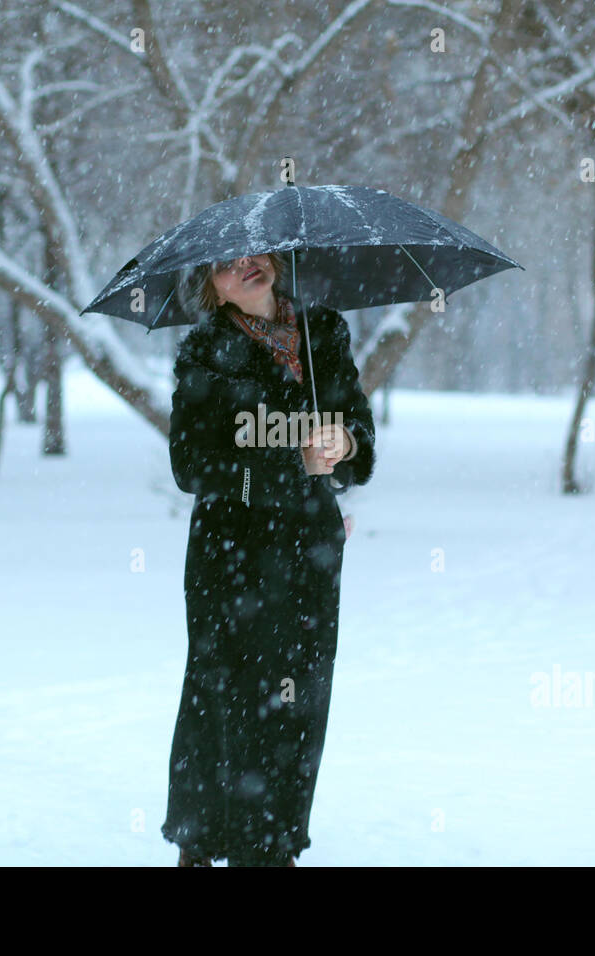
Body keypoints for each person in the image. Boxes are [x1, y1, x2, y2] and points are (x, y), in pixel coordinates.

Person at [161, 251, 376, 866]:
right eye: (225, 265)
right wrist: (285, 465)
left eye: (252, 253)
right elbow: (190, 465)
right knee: (226, 698)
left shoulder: (324, 332)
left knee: (299, 700)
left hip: (309, 550)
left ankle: (275, 847)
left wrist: (345, 442)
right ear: (211, 289)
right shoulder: (205, 352)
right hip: (233, 552)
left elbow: (358, 438)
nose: (245, 267)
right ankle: (204, 844)